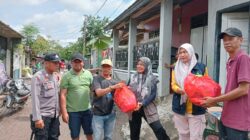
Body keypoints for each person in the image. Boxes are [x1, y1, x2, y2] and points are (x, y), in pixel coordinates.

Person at [202, 27, 250, 140]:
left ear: (241, 40)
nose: (226, 42)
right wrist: (214, 97)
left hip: (238, 119)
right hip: (227, 115)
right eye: (224, 40)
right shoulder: (230, 61)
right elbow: (232, 89)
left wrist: (214, 100)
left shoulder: (243, 58)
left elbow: (243, 89)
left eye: (230, 38)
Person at [171, 43, 208, 140]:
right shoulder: (176, 68)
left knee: (196, 136)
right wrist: (178, 90)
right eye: (180, 52)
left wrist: (196, 89)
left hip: (196, 108)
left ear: (191, 52)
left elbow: (207, 84)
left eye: (185, 52)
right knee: (183, 135)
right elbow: (173, 84)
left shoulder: (201, 68)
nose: (182, 55)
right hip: (180, 106)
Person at [128, 57, 170, 140]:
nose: (139, 66)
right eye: (138, 64)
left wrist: (143, 103)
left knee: (158, 129)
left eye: (142, 64)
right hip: (134, 108)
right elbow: (127, 89)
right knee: (134, 132)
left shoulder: (152, 78)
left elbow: (153, 94)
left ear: (147, 66)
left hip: (148, 107)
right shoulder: (132, 77)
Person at [60, 53, 93, 140]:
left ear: (83, 63)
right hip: (73, 112)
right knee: (75, 135)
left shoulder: (88, 74)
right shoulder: (66, 76)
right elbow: (63, 94)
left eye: (79, 62)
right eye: (75, 62)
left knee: (89, 133)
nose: (77, 64)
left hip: (87, 110)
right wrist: (64, 112)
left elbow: (93, 90)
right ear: (71, 63)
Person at [30, 53, 61, 140]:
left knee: (54, 137)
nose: (57, 65)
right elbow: (35, 99)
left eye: (57, 63)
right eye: (54, 63)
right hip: (43, 117)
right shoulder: (38, 77)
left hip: (54, 116)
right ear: (46, 63)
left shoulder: (54, 76)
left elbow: (56, 96)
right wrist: (37, 119)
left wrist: (59, 111)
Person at [91, 59, 123, 140]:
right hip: (98, 114)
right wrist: (112, 87)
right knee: (97, 137)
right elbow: (98, 93)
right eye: (104, 66)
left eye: (108, 67)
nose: (106, 69)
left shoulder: (115, 81)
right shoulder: (96, 79)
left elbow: (120, 97)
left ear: (111, 68)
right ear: (101, 68)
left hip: (111, 114)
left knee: (108, 137)